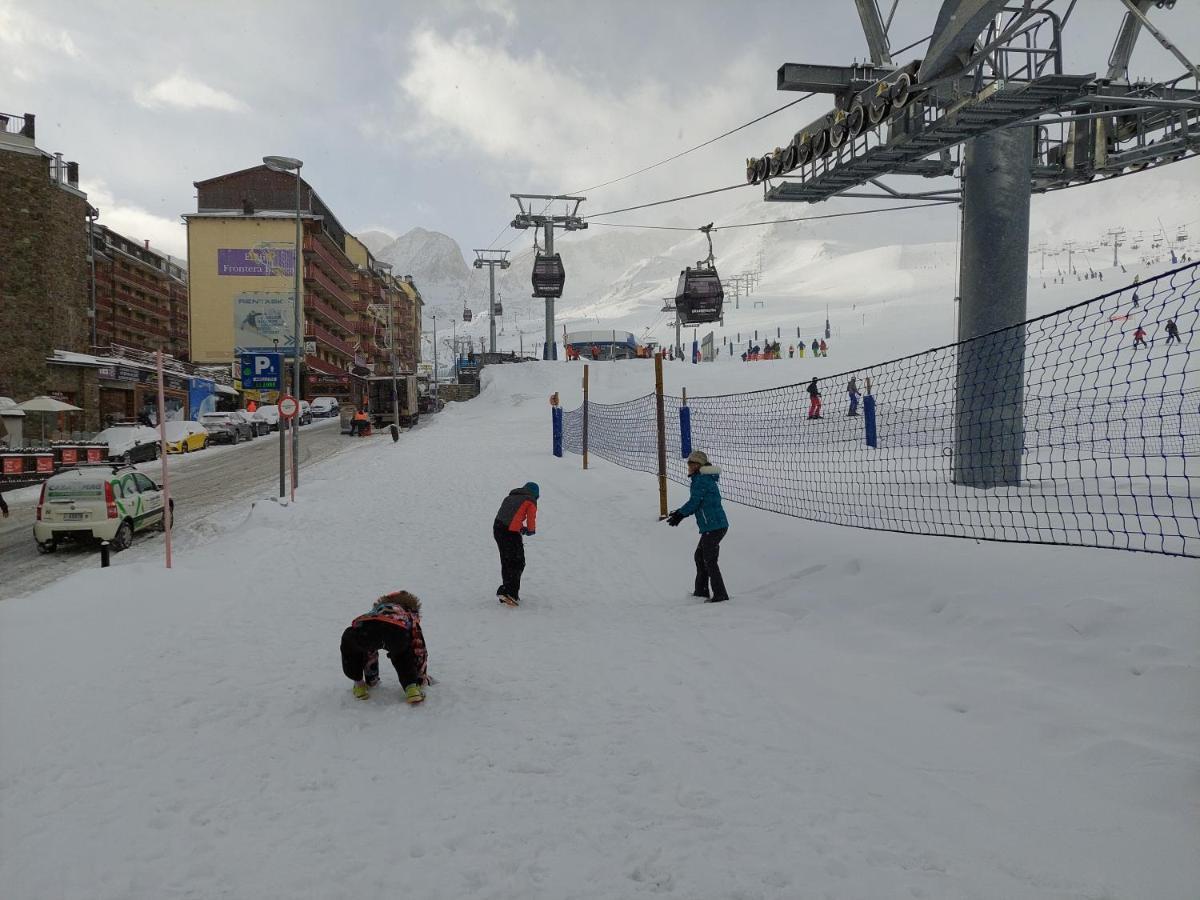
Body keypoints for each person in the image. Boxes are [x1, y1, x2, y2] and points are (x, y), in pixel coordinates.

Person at [340, 590, 429, 703]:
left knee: (353, 644)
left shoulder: (377, 611)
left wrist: (371, 679)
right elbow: (419, 648)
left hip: (368, 630)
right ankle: (412, 688)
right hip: (397, 632)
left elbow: (369, 650)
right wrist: (421, 677)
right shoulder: (409, 614)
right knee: (403, 653)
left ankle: (359, 685)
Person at [667, 450, 730, 603]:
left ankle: (720, 594)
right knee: (700, 557)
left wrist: (680, 514)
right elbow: (697, 502)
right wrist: (680, 513)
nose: (690, 466)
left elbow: (695, 502)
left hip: (714, 526)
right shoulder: (701, 478)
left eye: (693, 463)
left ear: (700, 465)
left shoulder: (701, 480)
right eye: (689, 463)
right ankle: (701, 591)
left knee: (709, 559)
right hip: (713, 526)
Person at [494, 481, 538, 606]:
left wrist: (520, 527)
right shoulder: (531, 500)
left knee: (507, 560)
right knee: (518, 562)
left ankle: (506, 592)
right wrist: (530, 530)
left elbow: (511, 516)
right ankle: (510, 593)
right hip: (510, 533)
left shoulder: (511, 496)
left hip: (498, 529)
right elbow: (530, 520)